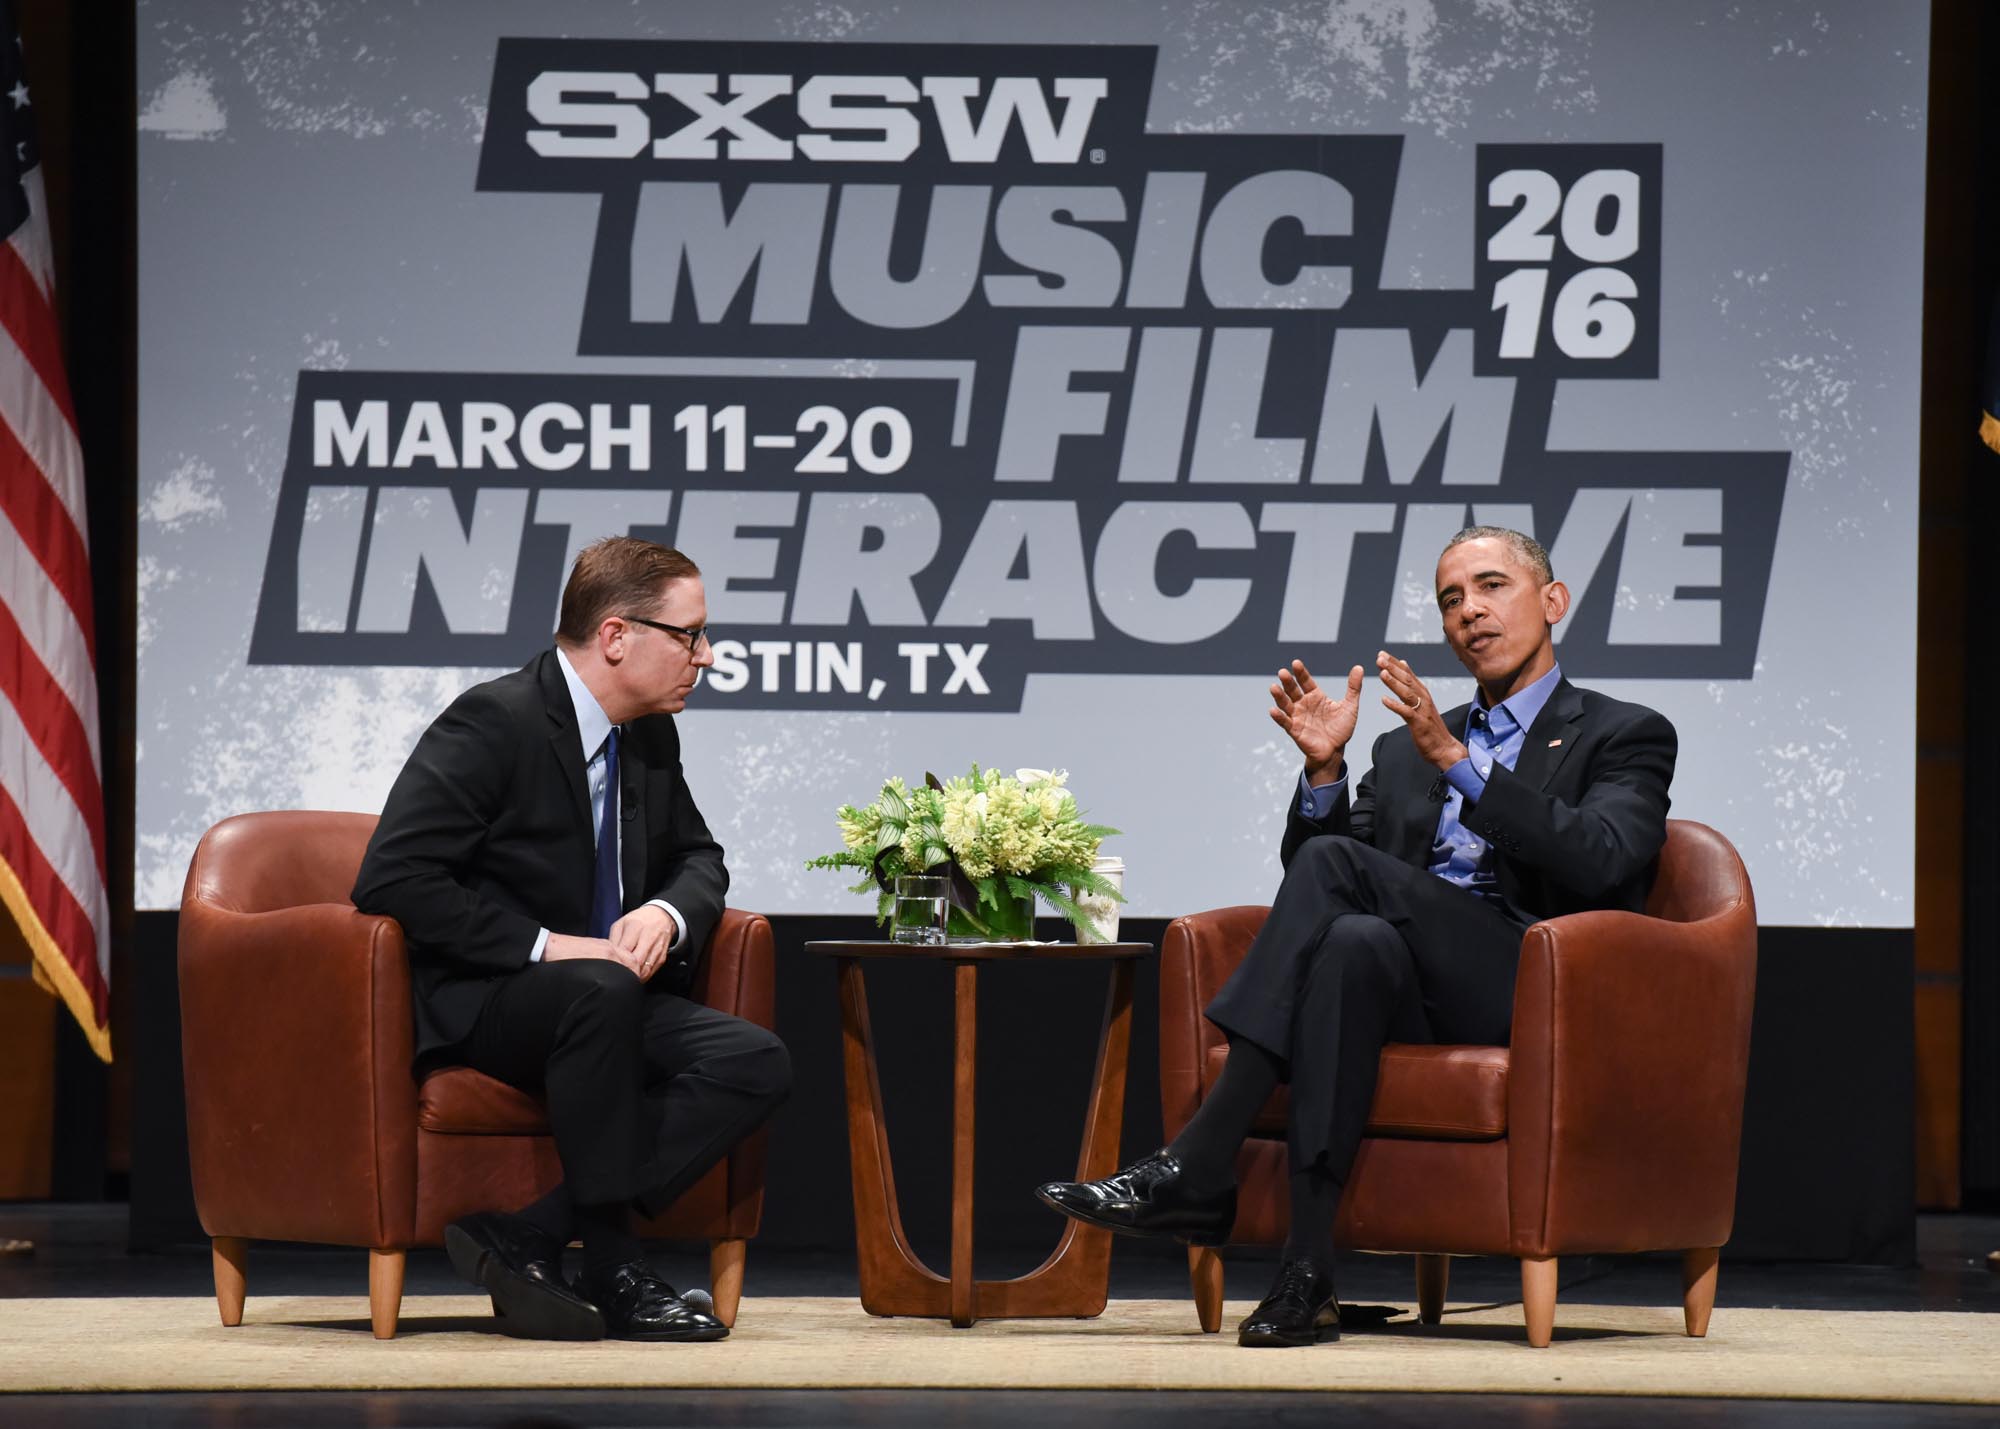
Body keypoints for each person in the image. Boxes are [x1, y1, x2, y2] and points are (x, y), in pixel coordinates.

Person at [1037, 526, 1675, 1347]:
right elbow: (1317, 881)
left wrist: (1464, 766)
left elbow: (1603, 858)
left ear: (1552, 602)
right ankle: (1309, 1277)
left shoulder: (1623, 732)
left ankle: (1198, 1162)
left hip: (1527, 981)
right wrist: (1326, 775)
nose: (1469, 611)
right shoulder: (1399, 749)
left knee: (1352, 904)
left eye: (1491, 587)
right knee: (1349, 947)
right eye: (1451, 599)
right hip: (1409, 986)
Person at [352, 537, 790, 1342]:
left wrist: (665, 913)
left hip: (604, 998)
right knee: (603, 987)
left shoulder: (649, 734)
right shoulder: (496, 719)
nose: (709, 655)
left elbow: (699, 857)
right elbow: (393, 877)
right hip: (491, 999)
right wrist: (551, 945)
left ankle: (530, 1232)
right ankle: (615, 1263)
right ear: (617, 635)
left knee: (754, 1058)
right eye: (690, 635)